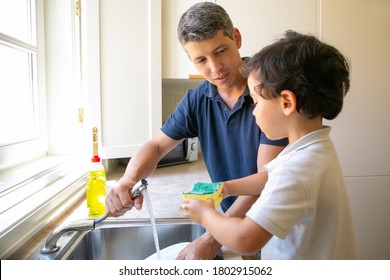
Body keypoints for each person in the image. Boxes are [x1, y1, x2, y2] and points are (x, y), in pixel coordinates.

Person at [104, 2, 287, 259]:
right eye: (201, 60)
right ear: (190, 60)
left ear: (236, 38)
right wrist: (128, 180)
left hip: (273, 224)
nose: (215, 68)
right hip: (233, 223)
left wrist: (211, 239)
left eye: (220, 51)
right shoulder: (197, 99)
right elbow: (156, 146)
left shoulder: (267, 91)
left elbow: (264, 182)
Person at [182, 30, 358, 259]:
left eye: (256, 102)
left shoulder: (296, 169)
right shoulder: (312, 150)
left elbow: (245, 239)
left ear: (286, 102)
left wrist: (206, 216)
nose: (253, 112)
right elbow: (268, 178)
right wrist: (227, 188)